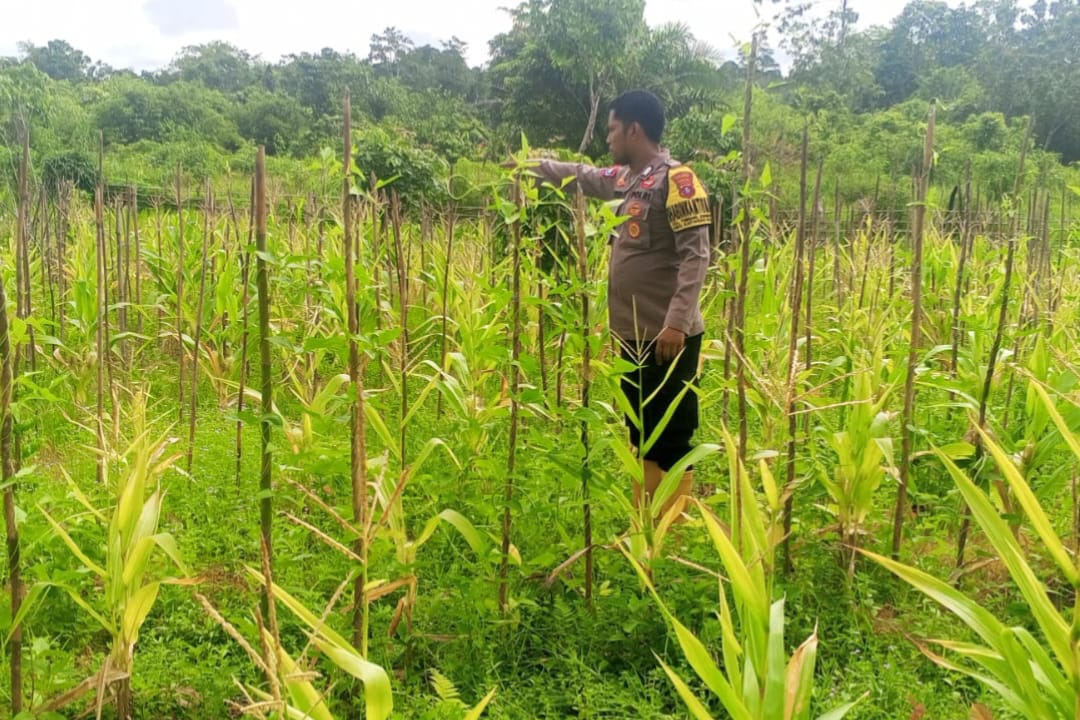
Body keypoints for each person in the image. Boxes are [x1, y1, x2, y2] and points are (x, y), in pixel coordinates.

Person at [528, 90, 711, 518]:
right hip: (631, 336)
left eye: (612, 129)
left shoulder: (677, 181)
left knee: (672, 435)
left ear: (634, 129)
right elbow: (583, 175)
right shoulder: (628, 180)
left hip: (668, 338)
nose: (607, 138)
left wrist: (677, 323)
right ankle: (646, 523)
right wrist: (533, 166)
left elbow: (696, 256)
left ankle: (672, 530)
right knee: (641, 430)